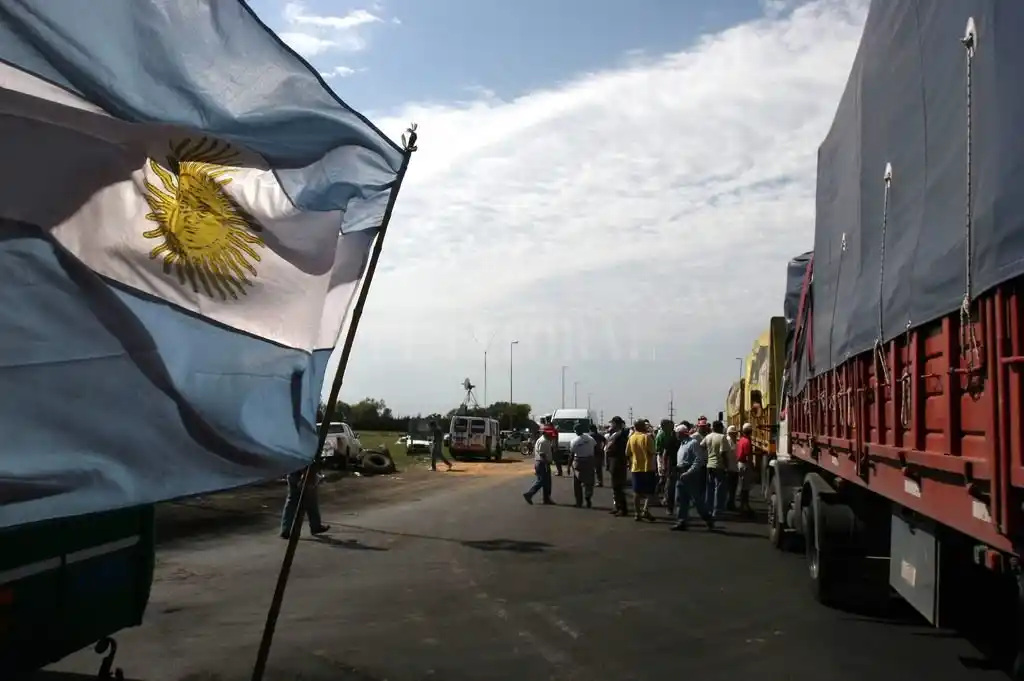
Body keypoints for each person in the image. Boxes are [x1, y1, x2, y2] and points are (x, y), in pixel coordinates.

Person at [671, 419, 714, 531]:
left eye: (677, 433)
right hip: (681, 473)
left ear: (681, 434)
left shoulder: (693, 443)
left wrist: (689, 472)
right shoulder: (682, 444)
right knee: (680, 498)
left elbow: (698, 460)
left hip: (690, 475)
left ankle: (707, 518)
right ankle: (681, 521)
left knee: (696, 499)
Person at [280, 463, 331, 539]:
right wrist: (305, 475)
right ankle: (315, 526)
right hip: (303, 473)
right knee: (311, 501)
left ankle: (286, 529)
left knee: (292, 502)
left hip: (293, 472)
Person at [627, 419, 657, 522]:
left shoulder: (631, 438)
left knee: (636, 492)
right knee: (650, 492)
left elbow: (627, 452)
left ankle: (637, 513)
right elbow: (653, 451)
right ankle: (645, 510)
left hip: (636, 467)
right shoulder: (647, 437)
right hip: (648, 467)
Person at [702, 420, 732, 519]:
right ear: (719, 427)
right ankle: (717, 510)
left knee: (709, 488)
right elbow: (723, 453)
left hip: (709, 465)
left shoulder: (708, 436)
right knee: (719, 489)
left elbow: (702, 446)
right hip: (719, 465)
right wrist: (727, 466)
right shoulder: (722, 437)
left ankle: (708, 509)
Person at [524, 425, 558, 505]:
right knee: (542, 481)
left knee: (546, 482)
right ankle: (529, 494)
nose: (551, 435)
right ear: (546, 433)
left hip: (541, 463)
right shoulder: (544, 441)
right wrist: (546, 463)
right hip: (542, 463)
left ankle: (546, 499)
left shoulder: (543, 439)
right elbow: (542, 454)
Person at [604, 416, 630, 516]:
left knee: (618, 486)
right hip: (613, 461)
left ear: (616, 424)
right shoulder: (615, 434)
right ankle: (618, 506)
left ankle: (623, 509)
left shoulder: (620, 435)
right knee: (615, 487)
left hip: (618, 461)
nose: (611, 425)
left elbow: (613, 448)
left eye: (612, 423)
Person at [655, 418, 682, 515]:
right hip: (670, 465)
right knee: (669, 486)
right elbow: (661, 452)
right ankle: (667, 505)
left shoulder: (674, 436)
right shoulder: (665, 436)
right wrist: (663, 465)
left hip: (679, 466)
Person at [568, 422, 597, 508]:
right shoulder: (590, 439)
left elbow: (571, 455)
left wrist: (569, 466)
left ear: (575, 431)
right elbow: (596, 448)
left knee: (577, 483)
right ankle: (588, 496)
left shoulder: (574, 441)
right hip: (589, 461)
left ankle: (579, 502)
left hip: (579, 461)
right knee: (589, 482)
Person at [735, 423, 756, 516]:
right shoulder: (747, 441)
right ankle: (744, 507)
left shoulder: (741, 440)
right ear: (750, 431)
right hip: (744, 465)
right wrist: (752, 467)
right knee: (745, 488)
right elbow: (748, 456)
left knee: (743, 487)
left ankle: (744, 506)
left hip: (740, 464)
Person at [725, 425, 740, 511]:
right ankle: (729, 504)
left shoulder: (733, 441)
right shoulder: (728, 441)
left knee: (733, 488)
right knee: (730, 488)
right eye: (734, 433)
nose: (735, 435)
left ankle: (731, 503)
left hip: (734, 467)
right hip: (730, 468)